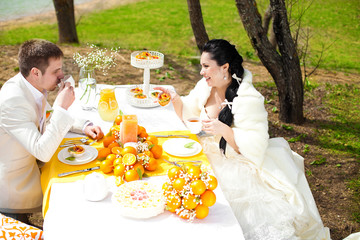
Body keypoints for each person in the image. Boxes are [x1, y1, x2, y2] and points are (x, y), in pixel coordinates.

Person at [156, 39, 331, 240]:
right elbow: (190, 113)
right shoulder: (205, 86)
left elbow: (256, 145)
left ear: (225, 67)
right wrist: (175, 99)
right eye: (201, 66)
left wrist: (224, 130)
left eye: (206, 66)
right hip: (206, 153)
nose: (201, 72)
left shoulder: (249, 98)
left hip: (237, 162)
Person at [0, 39, 104, 224]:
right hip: (15, 191)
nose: (62, 75)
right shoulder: (12, 100)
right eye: (56, 71)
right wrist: (62, 108)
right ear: (35, 72)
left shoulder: (32, 86)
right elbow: (43, 152)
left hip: (32, 174)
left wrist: (84, 125)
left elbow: (48, 116)